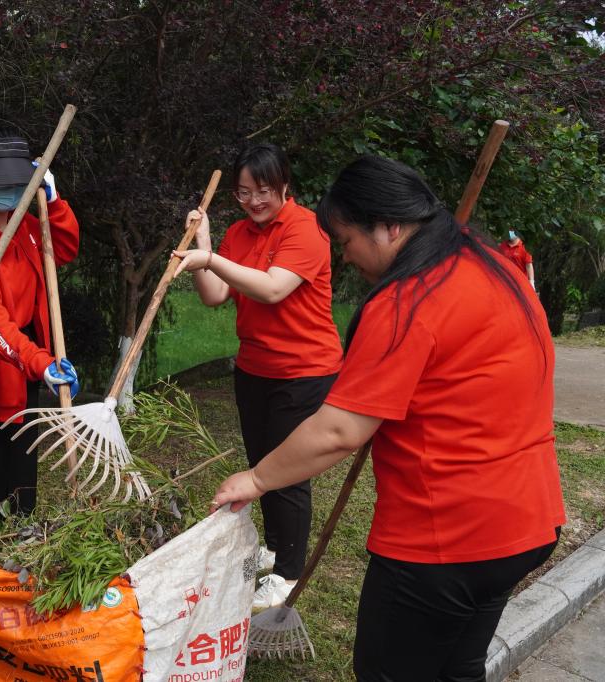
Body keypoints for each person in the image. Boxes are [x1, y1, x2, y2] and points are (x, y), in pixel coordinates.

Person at [211, 155, 564, 681]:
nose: (347, 257)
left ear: (390, 227)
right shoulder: (498, 269)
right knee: (457, 668)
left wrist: (257, 478)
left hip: (445, 538)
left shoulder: (407, 302)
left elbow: (339, 431)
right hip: (528, 521)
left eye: (348, 240)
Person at [173, 143, 343, 610]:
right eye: (245, 193)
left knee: (286, 471)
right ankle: (272, 548)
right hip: (255, 367)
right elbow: (214, 296)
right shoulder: (240, 232)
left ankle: (288, 573)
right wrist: (204, 244)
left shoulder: (307, 230)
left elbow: (271, 289)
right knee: (261, 462)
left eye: (263, 191)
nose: (253, 201)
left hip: (305, 369)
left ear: (284, 185)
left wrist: (210, 261)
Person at [0, 128, 80, 518]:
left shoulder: (23, 222)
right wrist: (41, 363)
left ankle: (21, 565)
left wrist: (54, 206)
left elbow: (65, 251)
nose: (8, 192)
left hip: (27, 371)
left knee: (23, 489)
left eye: (16, 184)